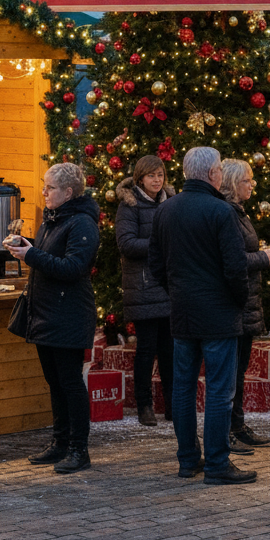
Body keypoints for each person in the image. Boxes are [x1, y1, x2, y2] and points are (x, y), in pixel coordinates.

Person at [148, 147, 251, 485]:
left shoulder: (166, 210)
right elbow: (235, 268)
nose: (221, 175)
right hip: (219, 314)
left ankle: (188, 459)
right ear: (211, 175)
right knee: (220, 391)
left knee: (183, 387)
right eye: (220, 170)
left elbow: (156, 265)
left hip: (182, 312)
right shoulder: (221, 212)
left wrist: (176, 292)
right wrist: (238, 301)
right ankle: (218, 463)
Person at [6, 163, 100, 475]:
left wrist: (31, 255)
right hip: (47, 313)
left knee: (70, 382)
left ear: (68, 192)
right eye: (44, 186)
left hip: (69, 313)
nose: (44, 192)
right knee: (55, 382)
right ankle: (60, 442)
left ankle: (78, 448)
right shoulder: (54, 220)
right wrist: (27, 246)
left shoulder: (82, 223)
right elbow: (49, 256)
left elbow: (73, 268)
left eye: (50, 188)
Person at [219, 159, 270, 453]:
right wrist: (264, 258)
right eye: (247, 180)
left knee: (239, 369)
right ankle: (228, 430)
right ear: (232, 183)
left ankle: (237, 424)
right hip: (235, 303)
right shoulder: (228, 214)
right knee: (231, 372)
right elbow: (232, 262)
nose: (251, 184)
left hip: (246, 302)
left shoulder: (238, 213)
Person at [115, 156, 175, 426]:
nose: (157, 180)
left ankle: (173, 405)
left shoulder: (170, 202)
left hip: (168, 287)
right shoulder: (129, 205)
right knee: (146, 350)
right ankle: (144, 405)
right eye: (151, 175)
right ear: (140, 178)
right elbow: (126, 243)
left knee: (170, 351)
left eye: (160, 175)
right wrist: (160, 244)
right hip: (143, 287)